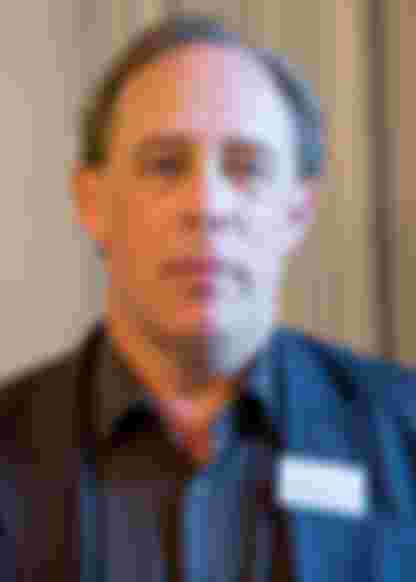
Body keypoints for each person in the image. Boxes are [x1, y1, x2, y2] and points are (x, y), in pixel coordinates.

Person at [0, 12, 415, 582]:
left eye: (246, 168)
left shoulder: (404, 436)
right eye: (164, 166)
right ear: (92, 202)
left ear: (297, 212)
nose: (207, 206)